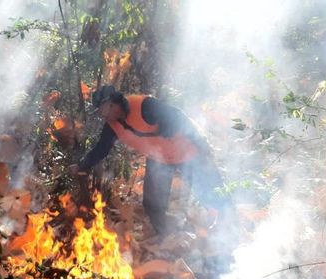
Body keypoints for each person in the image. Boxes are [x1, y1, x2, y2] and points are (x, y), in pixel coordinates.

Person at [69, 85, 239, 256]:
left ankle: (231, 229)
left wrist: (200, 145)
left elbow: (179, 118)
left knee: (211, 192)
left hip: (187, 153)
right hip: (160, 160)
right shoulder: (112, 126)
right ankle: (168, 240)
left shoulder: (144, 106)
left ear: (113, 103)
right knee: (152, 203)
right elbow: (101, 149)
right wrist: (81, 165)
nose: (102, 114)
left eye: (102, 109)